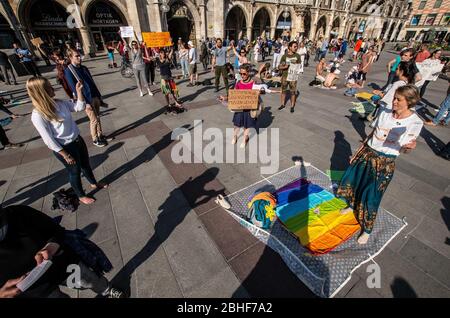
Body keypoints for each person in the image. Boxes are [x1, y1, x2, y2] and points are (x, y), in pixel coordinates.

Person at [337, 85, 423, 244]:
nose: (394, 101)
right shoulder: (384, 112)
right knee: (355, 183)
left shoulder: (415, 122)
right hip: (367, 153)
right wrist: (358, 151)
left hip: (384, 162)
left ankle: (367, 229)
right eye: (394, 97)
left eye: (398, 99)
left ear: (409, 102)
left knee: (372, 196)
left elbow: (405, 148)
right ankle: (351, 205)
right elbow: (371, 133)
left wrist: (409, 147)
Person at [0, 204, 125, 298]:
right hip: (34, 290)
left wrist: (51, 246)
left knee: (90, 281)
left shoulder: (17, 213)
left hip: (61, 264)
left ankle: (106, 289)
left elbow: (56, 230)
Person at [28, 76, 107, 204]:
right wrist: (64, 154)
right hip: (65, 148)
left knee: (86, 164)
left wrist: (79, 91)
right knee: (74, 172)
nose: (53, 88)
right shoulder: (38, 115)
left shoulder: (59, 103)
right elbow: (48, 140)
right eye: (48, 87)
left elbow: (79, 107)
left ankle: (94, 183)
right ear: (41, 92)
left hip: (77, 140)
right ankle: (81, 195)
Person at [64, 48, 108, 147]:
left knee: (98, 117)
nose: (80, 58)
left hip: (94, 95)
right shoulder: (69, 71)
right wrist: (84, 102)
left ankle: (100, 135)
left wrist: (98, 96)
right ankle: (95, 139)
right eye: (77, 56)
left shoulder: (83, 68)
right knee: (94, 120)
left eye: (80, 55)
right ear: (70, 57)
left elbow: (92, 82)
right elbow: (74, 89)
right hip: (86, 99)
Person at [156, 48, 185, 113]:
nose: (163, 54)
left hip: (170, 77)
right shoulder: (157, 60)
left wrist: (171, 47)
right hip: (163, 79)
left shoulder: (167, 58)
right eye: (161, 53)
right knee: (166, 93)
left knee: (174, 91)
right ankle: (168, 103)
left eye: (163, 52)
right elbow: (151, 59)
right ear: (159, 54)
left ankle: (176, 102)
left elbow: (171, 51)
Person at [278, 41, 301, 113]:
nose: (296, 48)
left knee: (293, 92)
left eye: (296, 46)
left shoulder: (297, 56)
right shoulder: (284, 56)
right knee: (283, 91)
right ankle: (282, 104)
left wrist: (296, 65)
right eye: (294, 46)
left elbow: (299, 66)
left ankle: (292, 106)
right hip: (285, 76)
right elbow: (279, 67)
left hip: (293, 77)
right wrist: (285, 66)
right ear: (290, 47)